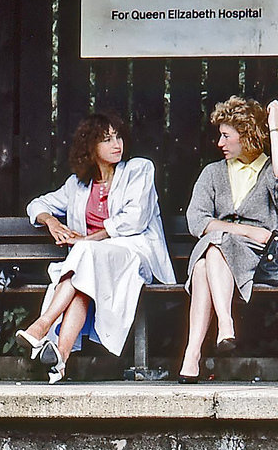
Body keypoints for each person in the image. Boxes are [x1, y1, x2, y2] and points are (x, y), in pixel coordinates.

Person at [18, 112, 175, 383]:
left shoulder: (139, 169)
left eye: (118, 137)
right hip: (90, 264)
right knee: (83, 277)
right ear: (90, 147)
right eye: (106, 139)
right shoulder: (77, 185)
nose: (117, 144)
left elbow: (134, 220)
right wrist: (52, 221)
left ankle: (42, 325)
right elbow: (37, 205)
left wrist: (87, 240)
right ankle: (61, 359)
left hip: (134, 254)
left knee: (84, 257)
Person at [177, 96, 278, 382]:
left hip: (255, 255)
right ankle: (224, 324)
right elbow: (197, 221)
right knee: (210, 254)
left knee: (205, 261)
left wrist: (274, 126)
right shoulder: (212, 173)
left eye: (226, 136)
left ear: (246, 135)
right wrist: (245, 230)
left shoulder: (270, 170)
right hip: (220, 246)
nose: (219, 143)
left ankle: (192, 354)